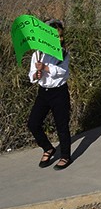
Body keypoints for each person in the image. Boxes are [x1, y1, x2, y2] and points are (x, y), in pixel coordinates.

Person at [28, 19, 72, 170]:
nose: (59, 39)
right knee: (33, 123)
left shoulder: (63, 53)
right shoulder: (38, 54)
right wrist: (36, 75)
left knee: (62, 125)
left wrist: (45, 67)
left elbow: (62, 72)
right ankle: (48, 148)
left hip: (59, 92)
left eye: (61, 36)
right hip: (43, 93)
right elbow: (31, 75)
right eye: (56, 36)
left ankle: (65, 155)